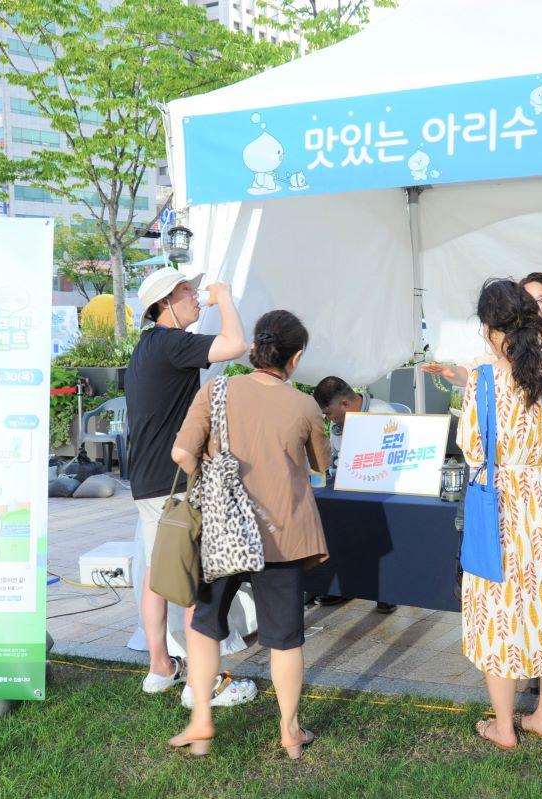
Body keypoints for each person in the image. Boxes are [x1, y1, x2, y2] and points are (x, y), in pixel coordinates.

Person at [169, 310, 331, 758]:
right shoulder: (304, 405)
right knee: (285, 637)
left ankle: (202, 718)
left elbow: (182, 452)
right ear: (295, 358)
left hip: (221, 533)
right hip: (282, 537)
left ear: (257, 349)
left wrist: (216, 480)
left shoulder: (216, 390)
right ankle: (289, 731)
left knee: (205, 627)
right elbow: (322, 464)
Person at [458, 279, 542, 750]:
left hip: (500, 500)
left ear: (490, 328)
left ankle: (504, 725)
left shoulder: (484, 378)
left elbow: (472, 448)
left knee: (498, 606)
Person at [125, 266, 256, 707]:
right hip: (175, 481)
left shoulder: (146, 348)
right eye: (188, 292)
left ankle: (160, 668)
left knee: (157, 573)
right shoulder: (171, 343)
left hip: (147, 479)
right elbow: (236, 346)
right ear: (164, 304)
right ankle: (205, 681)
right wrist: (227, 298)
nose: (197, 298)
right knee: (192, 577)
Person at [422, 271, 542, 406]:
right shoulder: (507, 344)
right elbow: (473, 372)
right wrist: (449, 371)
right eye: (529, 300)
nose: (534, 306)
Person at [310, 375, 399, 614]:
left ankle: (385, 591)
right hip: (346, 488)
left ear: (345, 404)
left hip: (382, 490)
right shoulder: (340, 424)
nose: (328, 419)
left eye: (329, 413)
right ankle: (340, 586)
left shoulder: (382, 413)